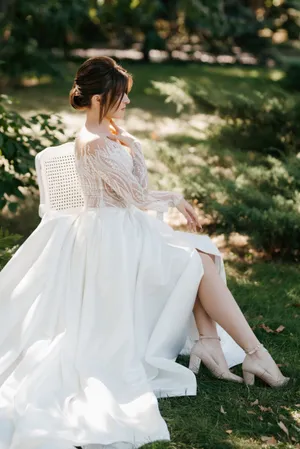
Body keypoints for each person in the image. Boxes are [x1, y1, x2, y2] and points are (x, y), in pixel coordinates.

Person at [0, 56, 289, 449]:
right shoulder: (91, 144)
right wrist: (172, 194)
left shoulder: (112, 136)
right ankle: (245, 350)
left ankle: (220, 345)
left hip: (128, 229)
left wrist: (132, 146)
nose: (128, 103)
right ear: (102, 97)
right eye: (122, 96)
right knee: (199, 257)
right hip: (110, 240)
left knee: (200, 254)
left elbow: (136, 187)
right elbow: (136, 197)